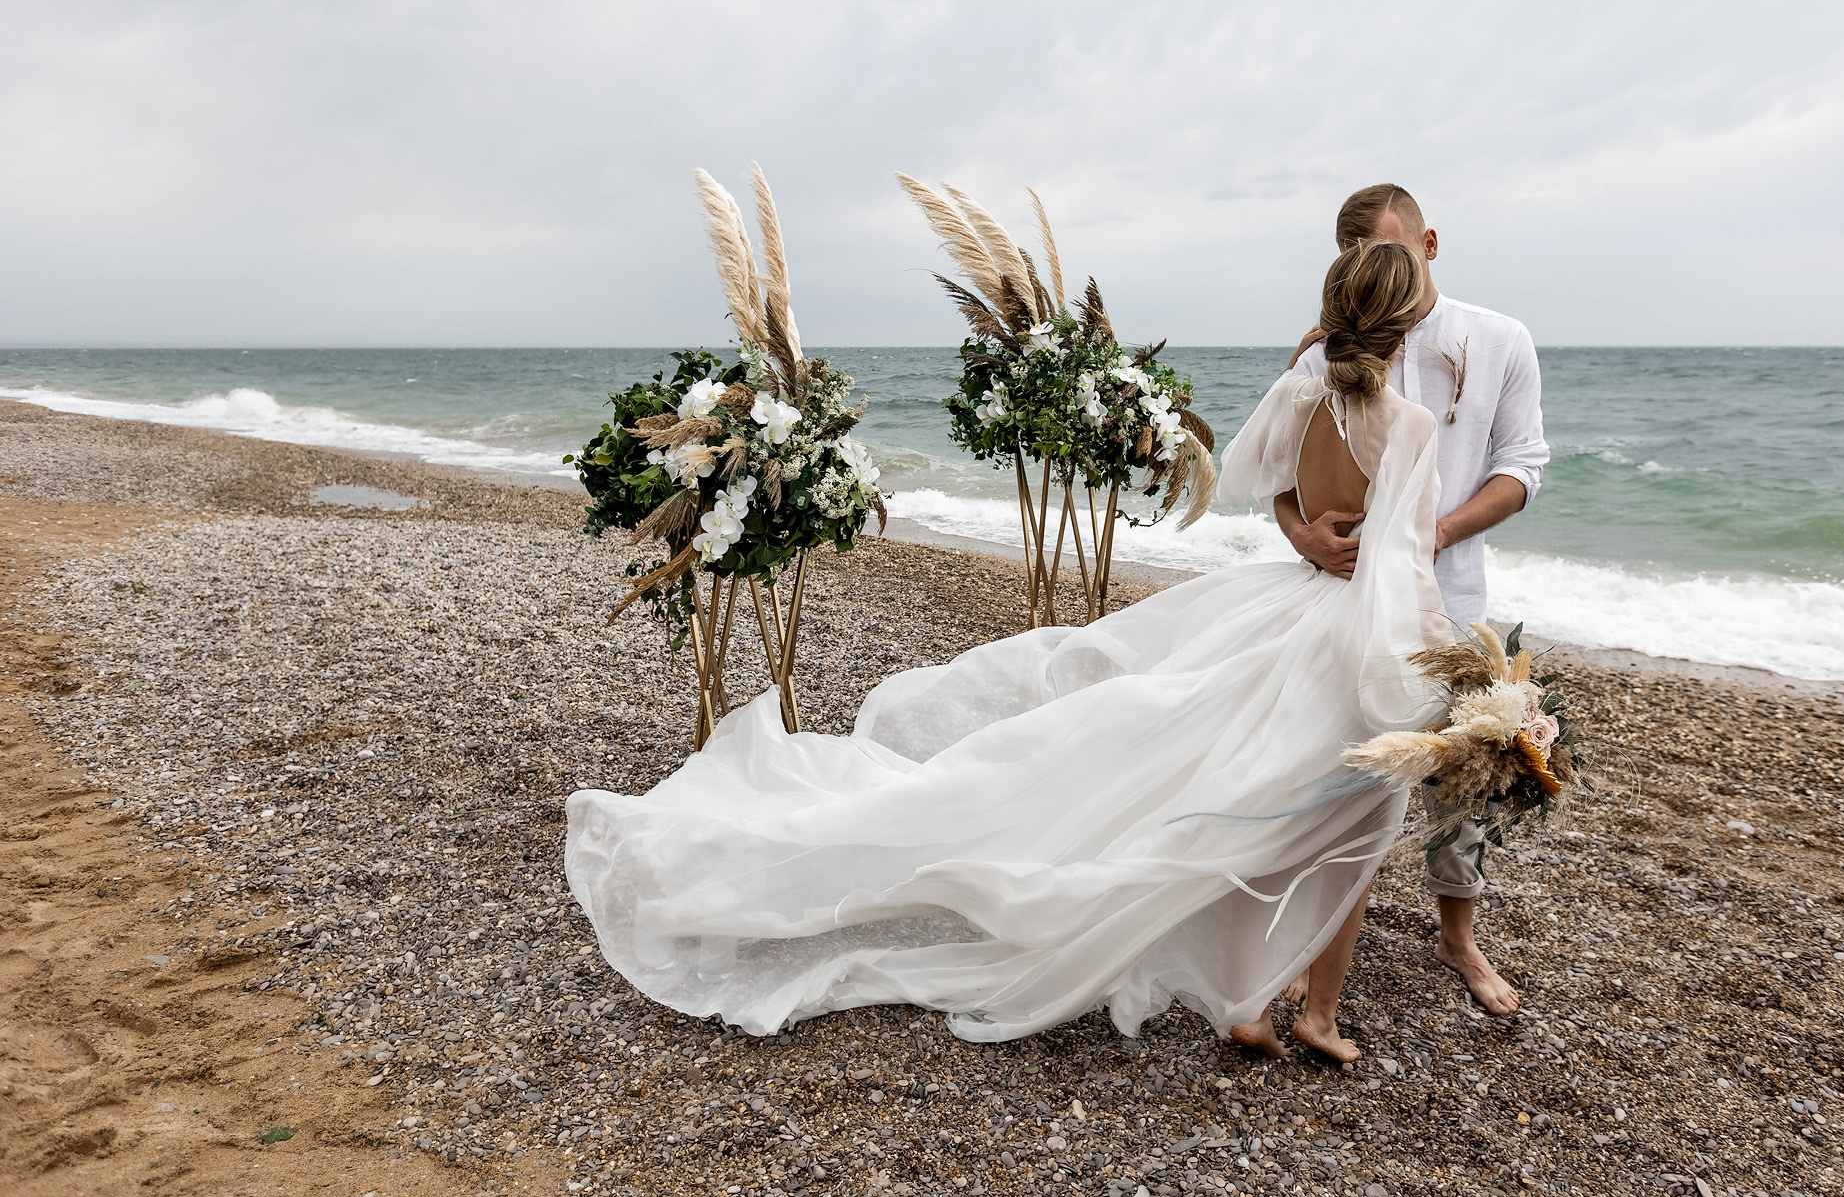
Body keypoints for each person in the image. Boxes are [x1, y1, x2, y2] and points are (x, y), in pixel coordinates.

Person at [565, 241, 1451, 1059]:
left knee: (1252, 801)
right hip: (1339, 631)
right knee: (1351, 825)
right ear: (1408, 318)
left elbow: (1277, 496)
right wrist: (1455, 676)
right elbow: (1404, 570)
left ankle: (1255, 1001)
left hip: (1276, 611)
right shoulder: (1408, 426)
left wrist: (1305, 541)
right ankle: (1311, 1013)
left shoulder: (1302, 395)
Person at [1280, 183, 1548, 1016]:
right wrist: (1303, 536)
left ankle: (1457, 936)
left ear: (1430, 243)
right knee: (1325, 778)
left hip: (1452, 600)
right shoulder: (1323, 351)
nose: (1376, 270)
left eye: (1390, 252)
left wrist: (1435, 531)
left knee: (1465, 784)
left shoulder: (1498, 338)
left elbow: (1522, 467)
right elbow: (1281, 476)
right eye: (1357, 259)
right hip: (1339, 604)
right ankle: (1296, 951)